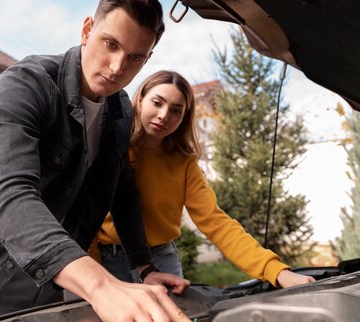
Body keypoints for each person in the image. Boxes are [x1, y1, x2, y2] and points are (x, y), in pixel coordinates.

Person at [0, 0, 207, 322]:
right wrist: (100, 286)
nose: (116, 67)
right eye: (111, 44)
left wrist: (143, 266)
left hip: (58, 271)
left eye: (135, 58)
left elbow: (121, 188)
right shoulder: (24, 85)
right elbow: (9, 193)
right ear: (86, 30)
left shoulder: (121, 109)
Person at [94, 70, 316, 288]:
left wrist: (276, 272)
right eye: (157, 103)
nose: (164, 115)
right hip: (108, 259)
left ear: (184, 118)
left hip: (161, 259)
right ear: (140, 100)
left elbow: (216, 222)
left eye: (176, 111)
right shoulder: (109, 144)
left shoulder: (184, 164)